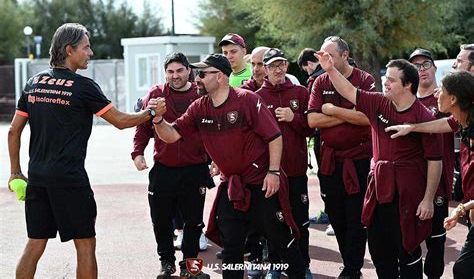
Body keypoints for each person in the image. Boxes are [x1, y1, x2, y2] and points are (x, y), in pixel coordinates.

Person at [7, 23, 160, 279]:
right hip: (69, 179)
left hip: (38, 177)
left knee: (35, 243)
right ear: (69, 50)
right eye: (86, 47)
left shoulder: (33, 83)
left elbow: (13, 131)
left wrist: (15, 172)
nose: (90, 52)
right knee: (85, 245)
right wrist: (152, 112)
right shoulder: (83, 86)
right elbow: (120, 121)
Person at [150, 53, 306, 278]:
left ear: (220, 77)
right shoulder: (199, 107)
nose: (197, 79)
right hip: (232, 186)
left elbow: (274, 137)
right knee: (231, 246)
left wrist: (273, 172)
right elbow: (171, 135)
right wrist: (157, 120)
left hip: (262, 183)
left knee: (281, 239)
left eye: (203, 74)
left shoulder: (247, 100)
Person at [317, 51, 443, 278]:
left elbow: (435, 161)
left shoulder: (424, 116)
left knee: (408, 251)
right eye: (386, 77)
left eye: (392, 79)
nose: (385, 82)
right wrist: (330, 70)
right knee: (378, 250)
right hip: (378, 190)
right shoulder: (378, 103)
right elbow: (349, 91)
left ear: (408, 85)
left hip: (408, 194)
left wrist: (427, 200)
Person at [386, 70, 474, 279]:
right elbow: (442, 125)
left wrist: (461, 209)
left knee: (462, 270)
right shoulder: (462, 120)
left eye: (441, 91)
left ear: (453, 98)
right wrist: (412, 128)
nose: (436, 94)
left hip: (469, 206)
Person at [131, 52, 210, 279]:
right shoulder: (156, 94)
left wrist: (215, 161)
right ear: (165, 73)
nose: (175, 76)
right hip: (163, 167)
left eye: (179, 71)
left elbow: (212, 129)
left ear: (188, 71)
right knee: (161, 219)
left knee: (194, 222)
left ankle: (191, 267)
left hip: (195, 168)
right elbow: (143, 126)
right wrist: (137, 153)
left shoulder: (199, 93)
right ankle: (167, 264)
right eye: (170, 72)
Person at [306, 36, 374, 279]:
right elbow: (312, 120)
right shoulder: (319, 81)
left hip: (359, 160)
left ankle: (353, 269)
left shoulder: (364, 79)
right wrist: (349, 114)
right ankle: (349, 263)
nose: (325, 61)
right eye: (322, 56)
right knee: (336, 216)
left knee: (356, 217)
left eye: (330, 56)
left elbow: (367, 117)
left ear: (345, 55)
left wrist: (332, 110)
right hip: (330, 161)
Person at [256, 48, 314, 278]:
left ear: (287, 66)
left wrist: (294, 118)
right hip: (271, 173)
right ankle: (275, 266)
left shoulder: (300, 92)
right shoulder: (258, 97)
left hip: (297, 169)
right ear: (265, 70)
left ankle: (304, 264)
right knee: (272, 222)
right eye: (272, 66)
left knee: (301, 220)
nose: (277, 69)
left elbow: (311, 128)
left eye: (281, 64)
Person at [409, 48, 455, 279]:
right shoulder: (404, 101)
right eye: (416, 66)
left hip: (438, 180)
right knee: (408, 237)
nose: (422, 70)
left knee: (436, 239)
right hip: (409, 180)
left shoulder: (445, 100)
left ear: (435, 68)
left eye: (426, 64)